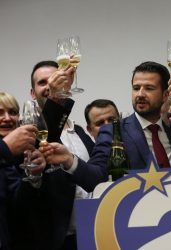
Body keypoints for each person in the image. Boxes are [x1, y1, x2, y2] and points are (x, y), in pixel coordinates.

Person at [40, 61, 171, 185]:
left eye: (149, 88)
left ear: (165, 95)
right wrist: (70, 160)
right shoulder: (113, 131)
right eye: (136, 88)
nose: (140, 94)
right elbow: (96, 176)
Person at [30, 60, 95, 250]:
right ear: (32, 93)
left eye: (54, 79)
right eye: (43, 82)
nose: (50, 84)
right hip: (57, 240)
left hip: (95, 230)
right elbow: (42, 143)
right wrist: (57, 99)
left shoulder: (82, 132)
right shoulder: (28, 132)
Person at [0, 92, 46, 250]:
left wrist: (34, 176)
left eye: (12, 112)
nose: (7, 118)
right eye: (0, 113)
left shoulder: (22, 153)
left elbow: (19, 206)